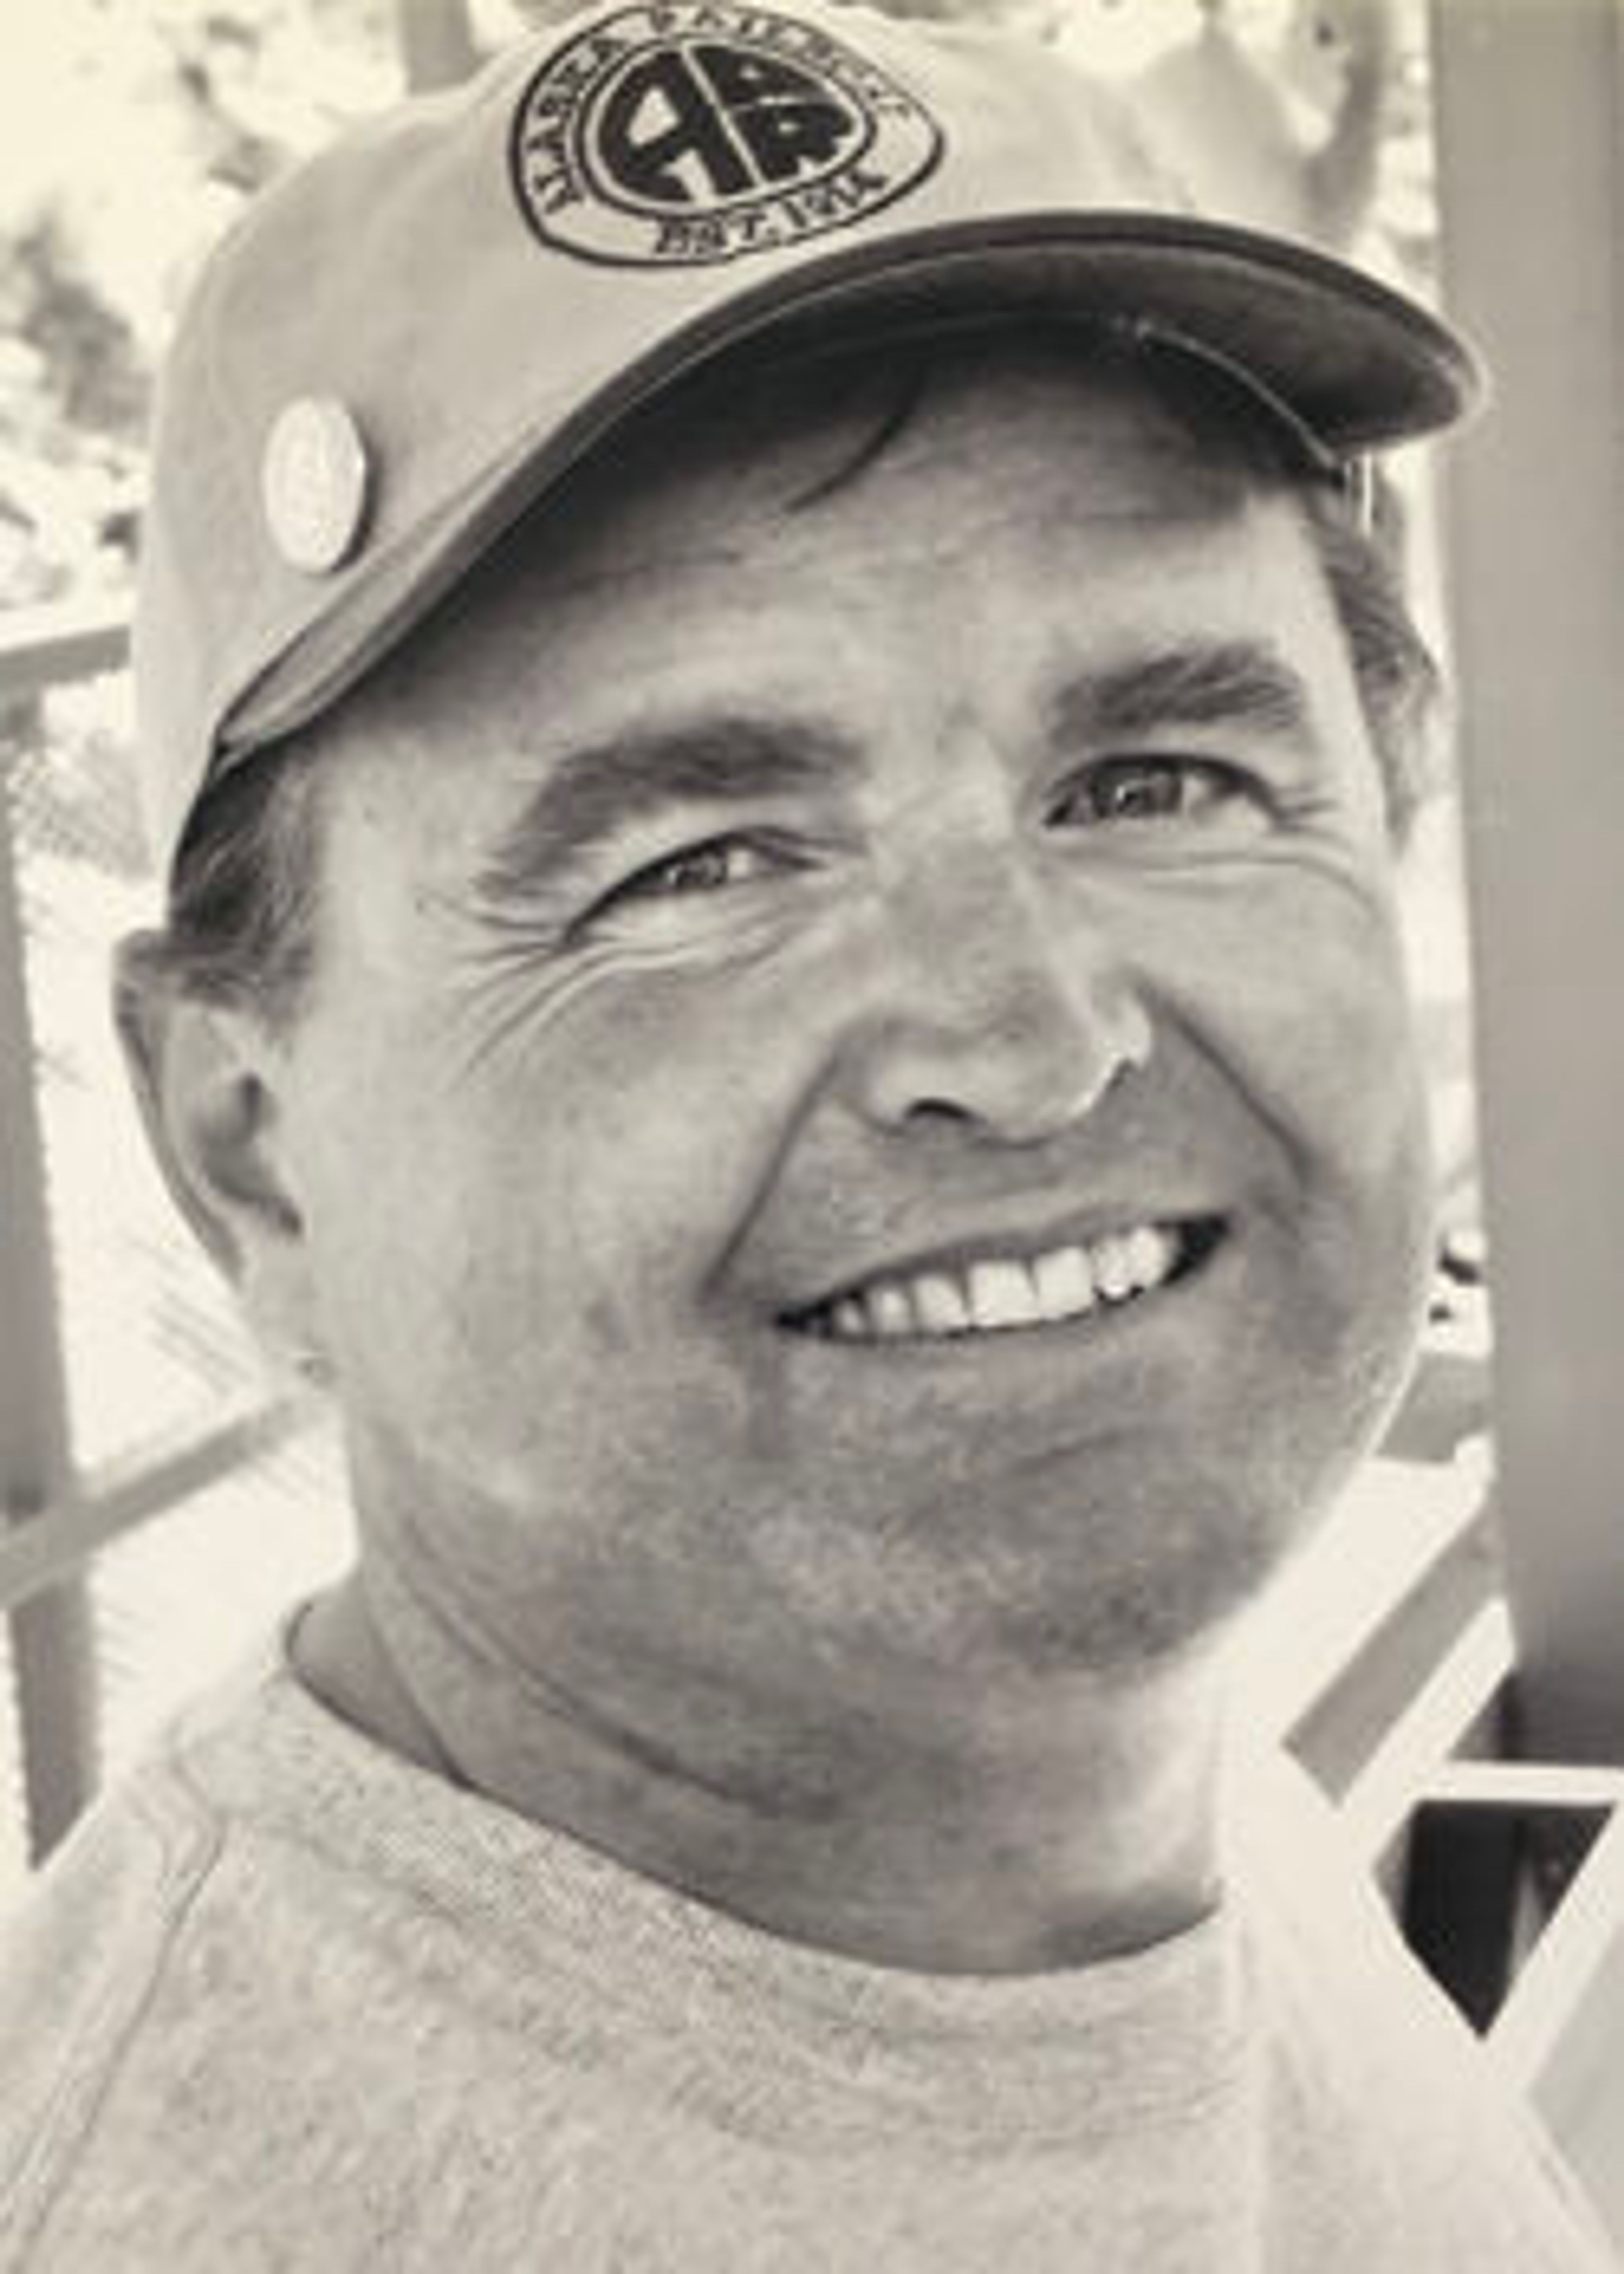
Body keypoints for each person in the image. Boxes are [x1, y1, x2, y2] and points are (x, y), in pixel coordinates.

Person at [0, 3, 1615, 2267]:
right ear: (250, 1152)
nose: (1034, 1042)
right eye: (701, 867)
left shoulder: (1079, 1785)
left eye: (1152, 783)